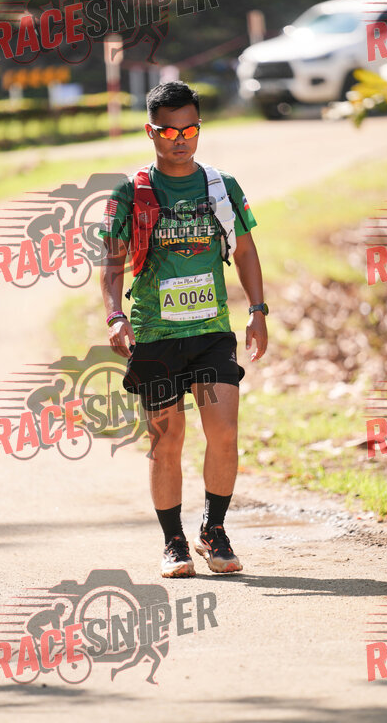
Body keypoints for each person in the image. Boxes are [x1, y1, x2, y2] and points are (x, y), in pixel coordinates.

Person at [99, 81, 268, 578]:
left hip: (211, 331)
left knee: (225, 432)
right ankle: (173, 541)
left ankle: (213, 531)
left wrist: (258, 310)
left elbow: (245, 250)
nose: (181, 139)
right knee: (167, 440)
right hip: (155, 336)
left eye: (189, 129)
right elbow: (111, 263)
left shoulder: (221, 187)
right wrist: (114, 316)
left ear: (199, 128)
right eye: (170, 131)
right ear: (151, 131)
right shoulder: (129, 193)